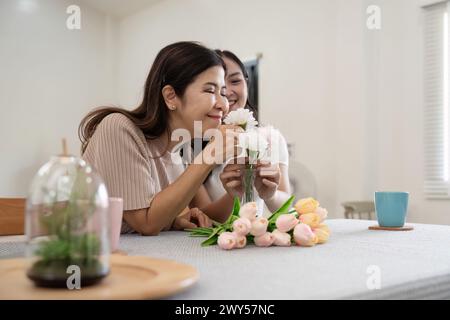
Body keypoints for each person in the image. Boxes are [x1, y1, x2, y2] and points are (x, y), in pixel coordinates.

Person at [79, 42, 242, 235]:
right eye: (209, 90)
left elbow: (191, 215)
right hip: (83, 256)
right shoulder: (118, 128)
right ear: (171, 96)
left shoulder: (182, 149)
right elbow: (146, 223)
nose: (223, 105)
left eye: (222, 93)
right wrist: (209, 156)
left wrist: (235, 194)